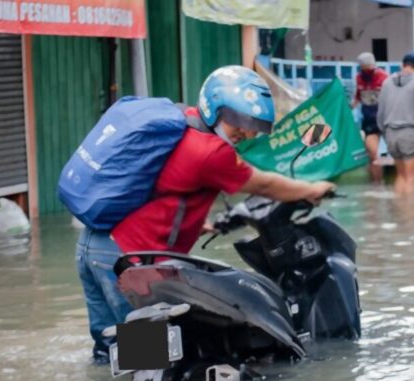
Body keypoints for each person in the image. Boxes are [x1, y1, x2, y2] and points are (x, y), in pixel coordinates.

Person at [76, 65, 335, 365]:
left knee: (109, 352)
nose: (246, 131)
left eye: (252, 124)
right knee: (146, 360)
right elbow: (263, 184)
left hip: (93, 248)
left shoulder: (182, 123)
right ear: (214, 109)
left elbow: (164, 185)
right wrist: (310, 189)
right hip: (128, 261)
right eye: (236, 121)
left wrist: (196, 224)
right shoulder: (212, 152)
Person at [377, 53, 414, 195]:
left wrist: (385, 133)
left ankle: (399, 212)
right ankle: (409, 214)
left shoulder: (386, 82)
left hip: (390, 134)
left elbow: (380, 113)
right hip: (410, 133)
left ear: (402, 65)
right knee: (411, 177)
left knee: (400, 176)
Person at [351, 52, 388, 183]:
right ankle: (376, 184)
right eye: (363, 68)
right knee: (372, 153)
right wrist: (348, 108)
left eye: (369, 69)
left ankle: (393, 180)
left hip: (386, 119)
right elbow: (357, 97)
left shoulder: (384, 77)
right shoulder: (359, 78)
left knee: (397, 152)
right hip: (369, 120)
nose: (366, 71)